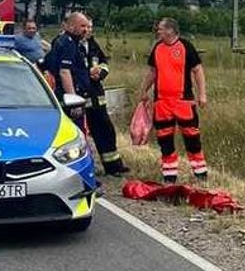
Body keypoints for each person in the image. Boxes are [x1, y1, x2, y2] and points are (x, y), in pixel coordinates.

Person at [47, 12, 129, 177]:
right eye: (84, 26)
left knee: (104, 129)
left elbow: (104, 62)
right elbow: (64, 71)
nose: (87, 30)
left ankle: (112, 166)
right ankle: (80, 173)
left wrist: (100, 72)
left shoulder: (91, 44)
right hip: (78, 97)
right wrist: (74, 99)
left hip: (94, 95)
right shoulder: (67, 43)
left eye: (89, 27)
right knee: (78, 136)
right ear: (71, 26)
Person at [138, 17, 208, 183]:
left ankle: (200, 173)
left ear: (170, 30)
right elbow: (152, 72)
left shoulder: (185, 46)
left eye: (160, 29)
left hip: (183, 101)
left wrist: (202, 94)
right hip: (162, 102)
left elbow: (198, 70)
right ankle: (169, 175)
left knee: (192, 137)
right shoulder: (157, 48)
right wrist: (144, 90)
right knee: (164, 139)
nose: (158, 31)